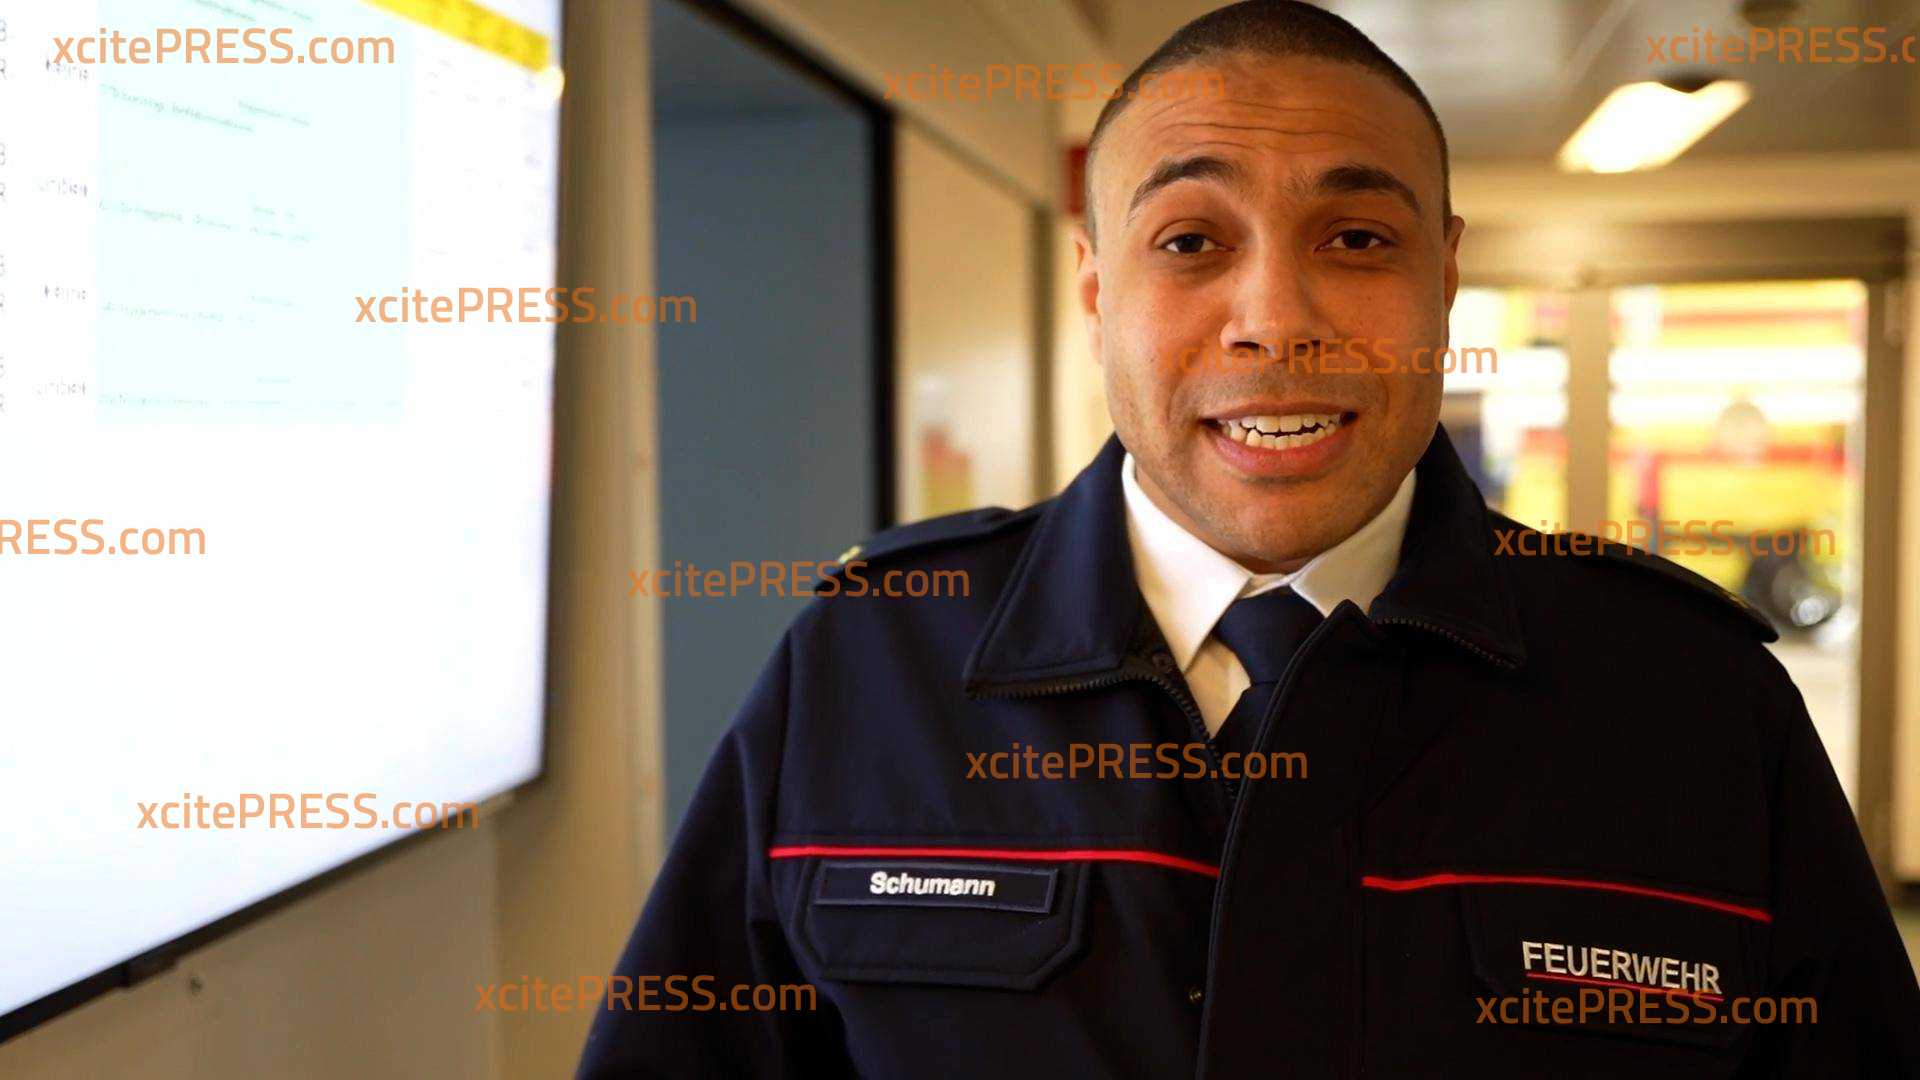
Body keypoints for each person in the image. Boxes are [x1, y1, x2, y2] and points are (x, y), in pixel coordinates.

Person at [577, 2, 1920, 1075]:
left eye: (1357, 235)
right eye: (1189, 241)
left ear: (1446, 277)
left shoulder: (1691, 701)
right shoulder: (868, 665)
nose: (1276, 319)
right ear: (1096, 286)